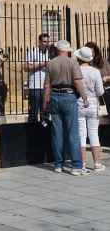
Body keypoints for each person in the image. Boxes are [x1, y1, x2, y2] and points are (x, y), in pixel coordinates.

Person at [43, 39, 89, 175]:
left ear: (57, 50)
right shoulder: (72, 62)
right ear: (68, 50)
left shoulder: (51, 63)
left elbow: (47, 86)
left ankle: (58, 164)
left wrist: (45, 102)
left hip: (54, 97)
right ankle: (76, 166)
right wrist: (85, 97)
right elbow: (77, 81)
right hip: (69, 96)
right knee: (73, 132)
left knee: (57, 133)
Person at [74, 45, 105, 173]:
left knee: (81, 134)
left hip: (79, 102)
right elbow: (100, 91)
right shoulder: (95, 71)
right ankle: (97, 163)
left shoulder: (75, 70)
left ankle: (82, 163)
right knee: (93, 133)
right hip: (92, 103)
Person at [24, 33, 50, 123]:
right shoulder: (32, 52)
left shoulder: (50, 53)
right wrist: (42, 64)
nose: (46, 44)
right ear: (39, 42)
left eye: (47, 42)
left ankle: (44, 132)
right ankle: (32, 132)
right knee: (33, 112)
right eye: (44, 41)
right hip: (35, 86)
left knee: (45, 113)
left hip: (46, 87)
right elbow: (26, 67)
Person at [85, 41, 110, 113]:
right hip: (90, 96)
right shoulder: (84, 64)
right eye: (89, 52)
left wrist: (105, 78)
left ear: (96, 52)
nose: (91, 54)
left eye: (92, 52)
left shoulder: (103, 62)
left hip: (105, 94)